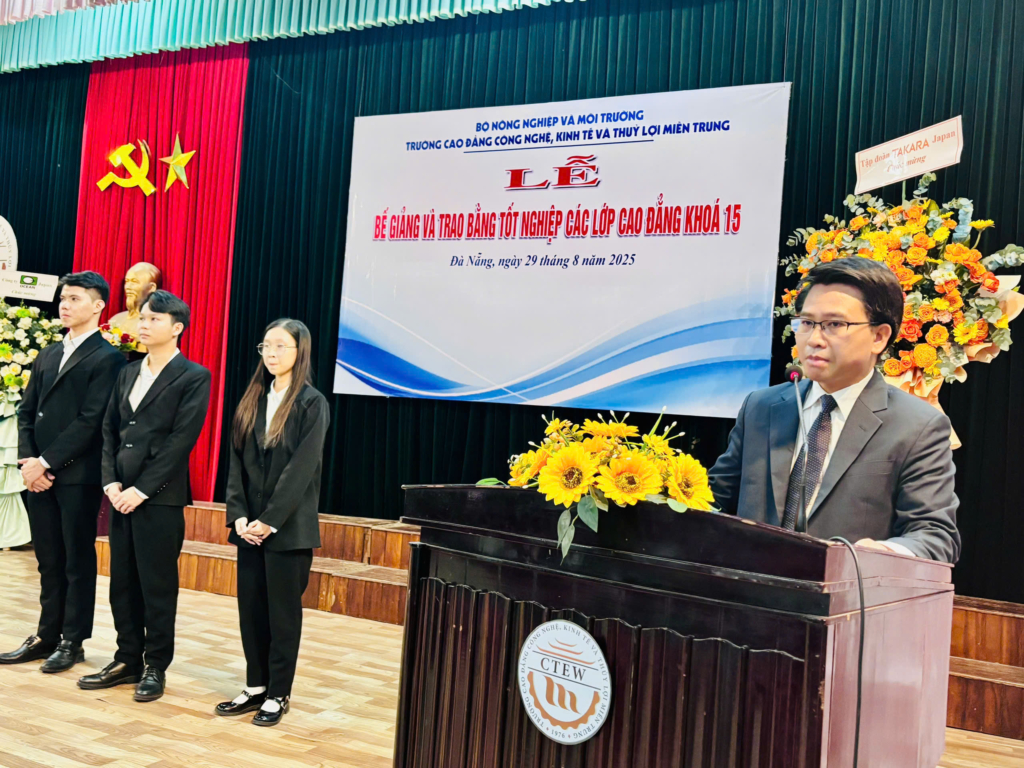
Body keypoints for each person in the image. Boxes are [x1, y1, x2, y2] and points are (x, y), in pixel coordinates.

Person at [708, 258, 961, 563]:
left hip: (847, 589)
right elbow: (714, 499)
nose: (814, 340)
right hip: (751, 587)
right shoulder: (761, 407)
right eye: (806, 323)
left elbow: (935, 536)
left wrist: (881, 554)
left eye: (835, 325)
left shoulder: (917, 426)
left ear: (879, 336)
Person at [78, 290, 211, 701]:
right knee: (122, 582)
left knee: (157, 585)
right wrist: (111, 483)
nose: (144, 325)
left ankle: (155, 665)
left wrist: (140, 490)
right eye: (143, 318)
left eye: (154, 319)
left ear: (177, 328)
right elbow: (109, 430)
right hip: (120, 494)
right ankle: (126, 658)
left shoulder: (193, 376)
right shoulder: (128, 371)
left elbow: (180, 442)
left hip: (159, 498)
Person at [1, 272, 125, 672]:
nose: (65, 305)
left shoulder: (108, 358)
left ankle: (73, 640)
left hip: (76, 475)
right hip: (38, 475)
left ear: (98, 305)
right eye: (63, 298)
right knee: (48, 558)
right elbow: (25, 412)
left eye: (74, 298)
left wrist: (47, 462)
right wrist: (28, 461)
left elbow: (91, 420)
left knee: (76, 559)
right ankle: (46, 634)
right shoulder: (49, 353)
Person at [215, 319, 329, 726]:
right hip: (249, 529)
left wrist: (269, 520)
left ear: (300, 352)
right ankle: (256, 686)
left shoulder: (311, 403)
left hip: (287, 531)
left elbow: (301, 470)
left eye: (281, 346)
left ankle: (279, 693)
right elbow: (235, 465)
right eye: (266, 346)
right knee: (251, 611)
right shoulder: (253, 399)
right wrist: (239, 516)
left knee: (282, 615)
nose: (272, 354)